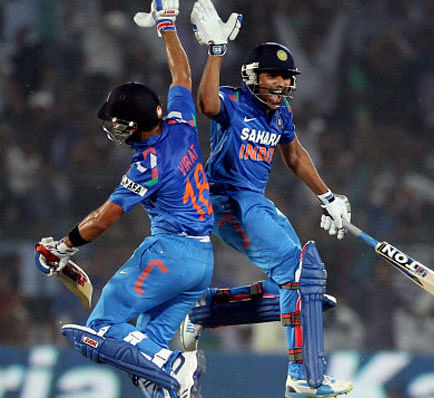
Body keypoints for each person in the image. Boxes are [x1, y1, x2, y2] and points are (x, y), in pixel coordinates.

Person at [34, 1, 214, 397]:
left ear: (134, 126)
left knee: (103, 329)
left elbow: (103, 219)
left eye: (117, 123)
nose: (112, 128)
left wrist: (61, 248)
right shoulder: (180, 122)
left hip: (170, 254)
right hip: (201, 261)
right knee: (143, 363)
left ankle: (176, 364)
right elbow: (182, 72)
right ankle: (168, 378)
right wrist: (166, 24)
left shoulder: (147, 164)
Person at [181, 1, 354, 397]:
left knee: (300, 288)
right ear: (252, 76)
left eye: (285, 77)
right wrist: (216, 52)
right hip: (226, 202)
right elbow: (205, 104)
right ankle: (304, 374)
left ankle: (205, 310)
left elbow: (294, 154)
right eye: (271, 76)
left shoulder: (280, 115)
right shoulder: (233, 102)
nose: (279, 83)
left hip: (254, 201)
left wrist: (326, 196)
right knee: (301, 276)